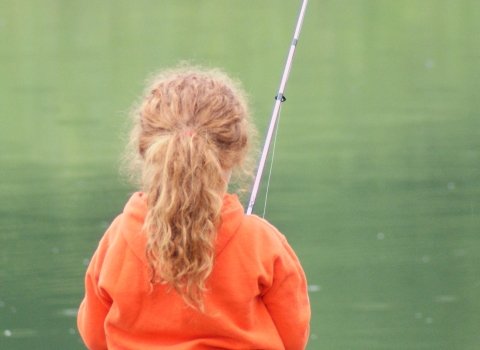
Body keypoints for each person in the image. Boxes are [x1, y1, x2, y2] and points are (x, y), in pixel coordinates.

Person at [77, 65, 311, 349]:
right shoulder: (262, 242)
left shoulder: (117, 239)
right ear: (234, 154)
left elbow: (94, 336)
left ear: (145, 150)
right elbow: (293, 337)